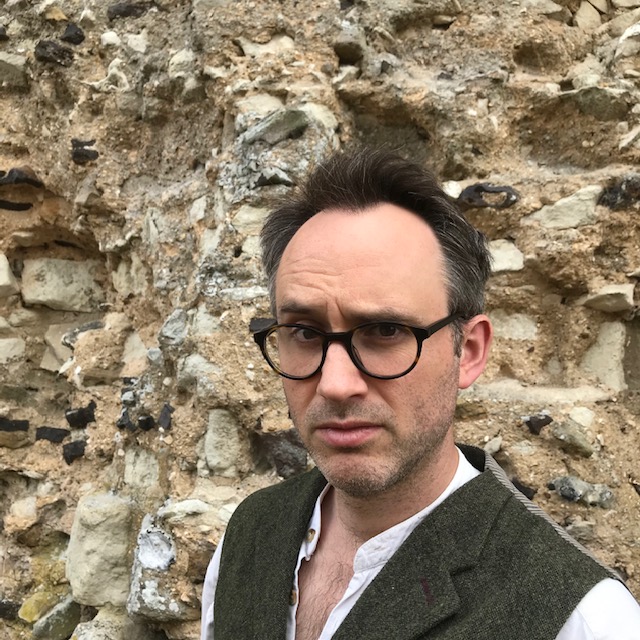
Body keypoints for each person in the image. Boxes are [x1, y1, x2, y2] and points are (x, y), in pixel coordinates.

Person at [201, 148, 640, 639]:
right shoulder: (249, 535)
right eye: (304, 333)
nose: (335, 384)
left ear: (468, 351)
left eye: (386, 331)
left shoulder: (585, 619)